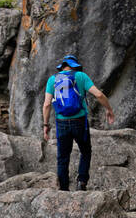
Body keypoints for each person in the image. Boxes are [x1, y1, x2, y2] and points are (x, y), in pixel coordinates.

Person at [41, 55, 115, 191]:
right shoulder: (81, 76)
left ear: (62, 67)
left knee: (63, 157)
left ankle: (63, 189)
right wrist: (109, 109)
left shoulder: (52, 79)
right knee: (85, 151)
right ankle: (81, 182)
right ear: (75, 66)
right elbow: (98, 94)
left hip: (61, 122)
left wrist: (45, 126)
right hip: (79, 121)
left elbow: (46, 105)